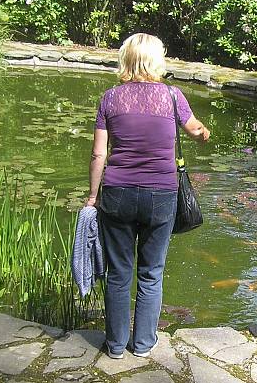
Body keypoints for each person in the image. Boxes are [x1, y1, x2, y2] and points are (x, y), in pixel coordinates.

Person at [86, 33, 210, 359]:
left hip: (116, 193)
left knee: (118, 273)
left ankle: (114, 346)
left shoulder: (110, 98)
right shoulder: (172, 96)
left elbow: (99, 155)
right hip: (161, 194)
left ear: (125, 59)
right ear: (158, 60)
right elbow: (195, 129)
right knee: (151, 272)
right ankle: (142, 344)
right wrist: (204, 134)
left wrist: (91, 196)